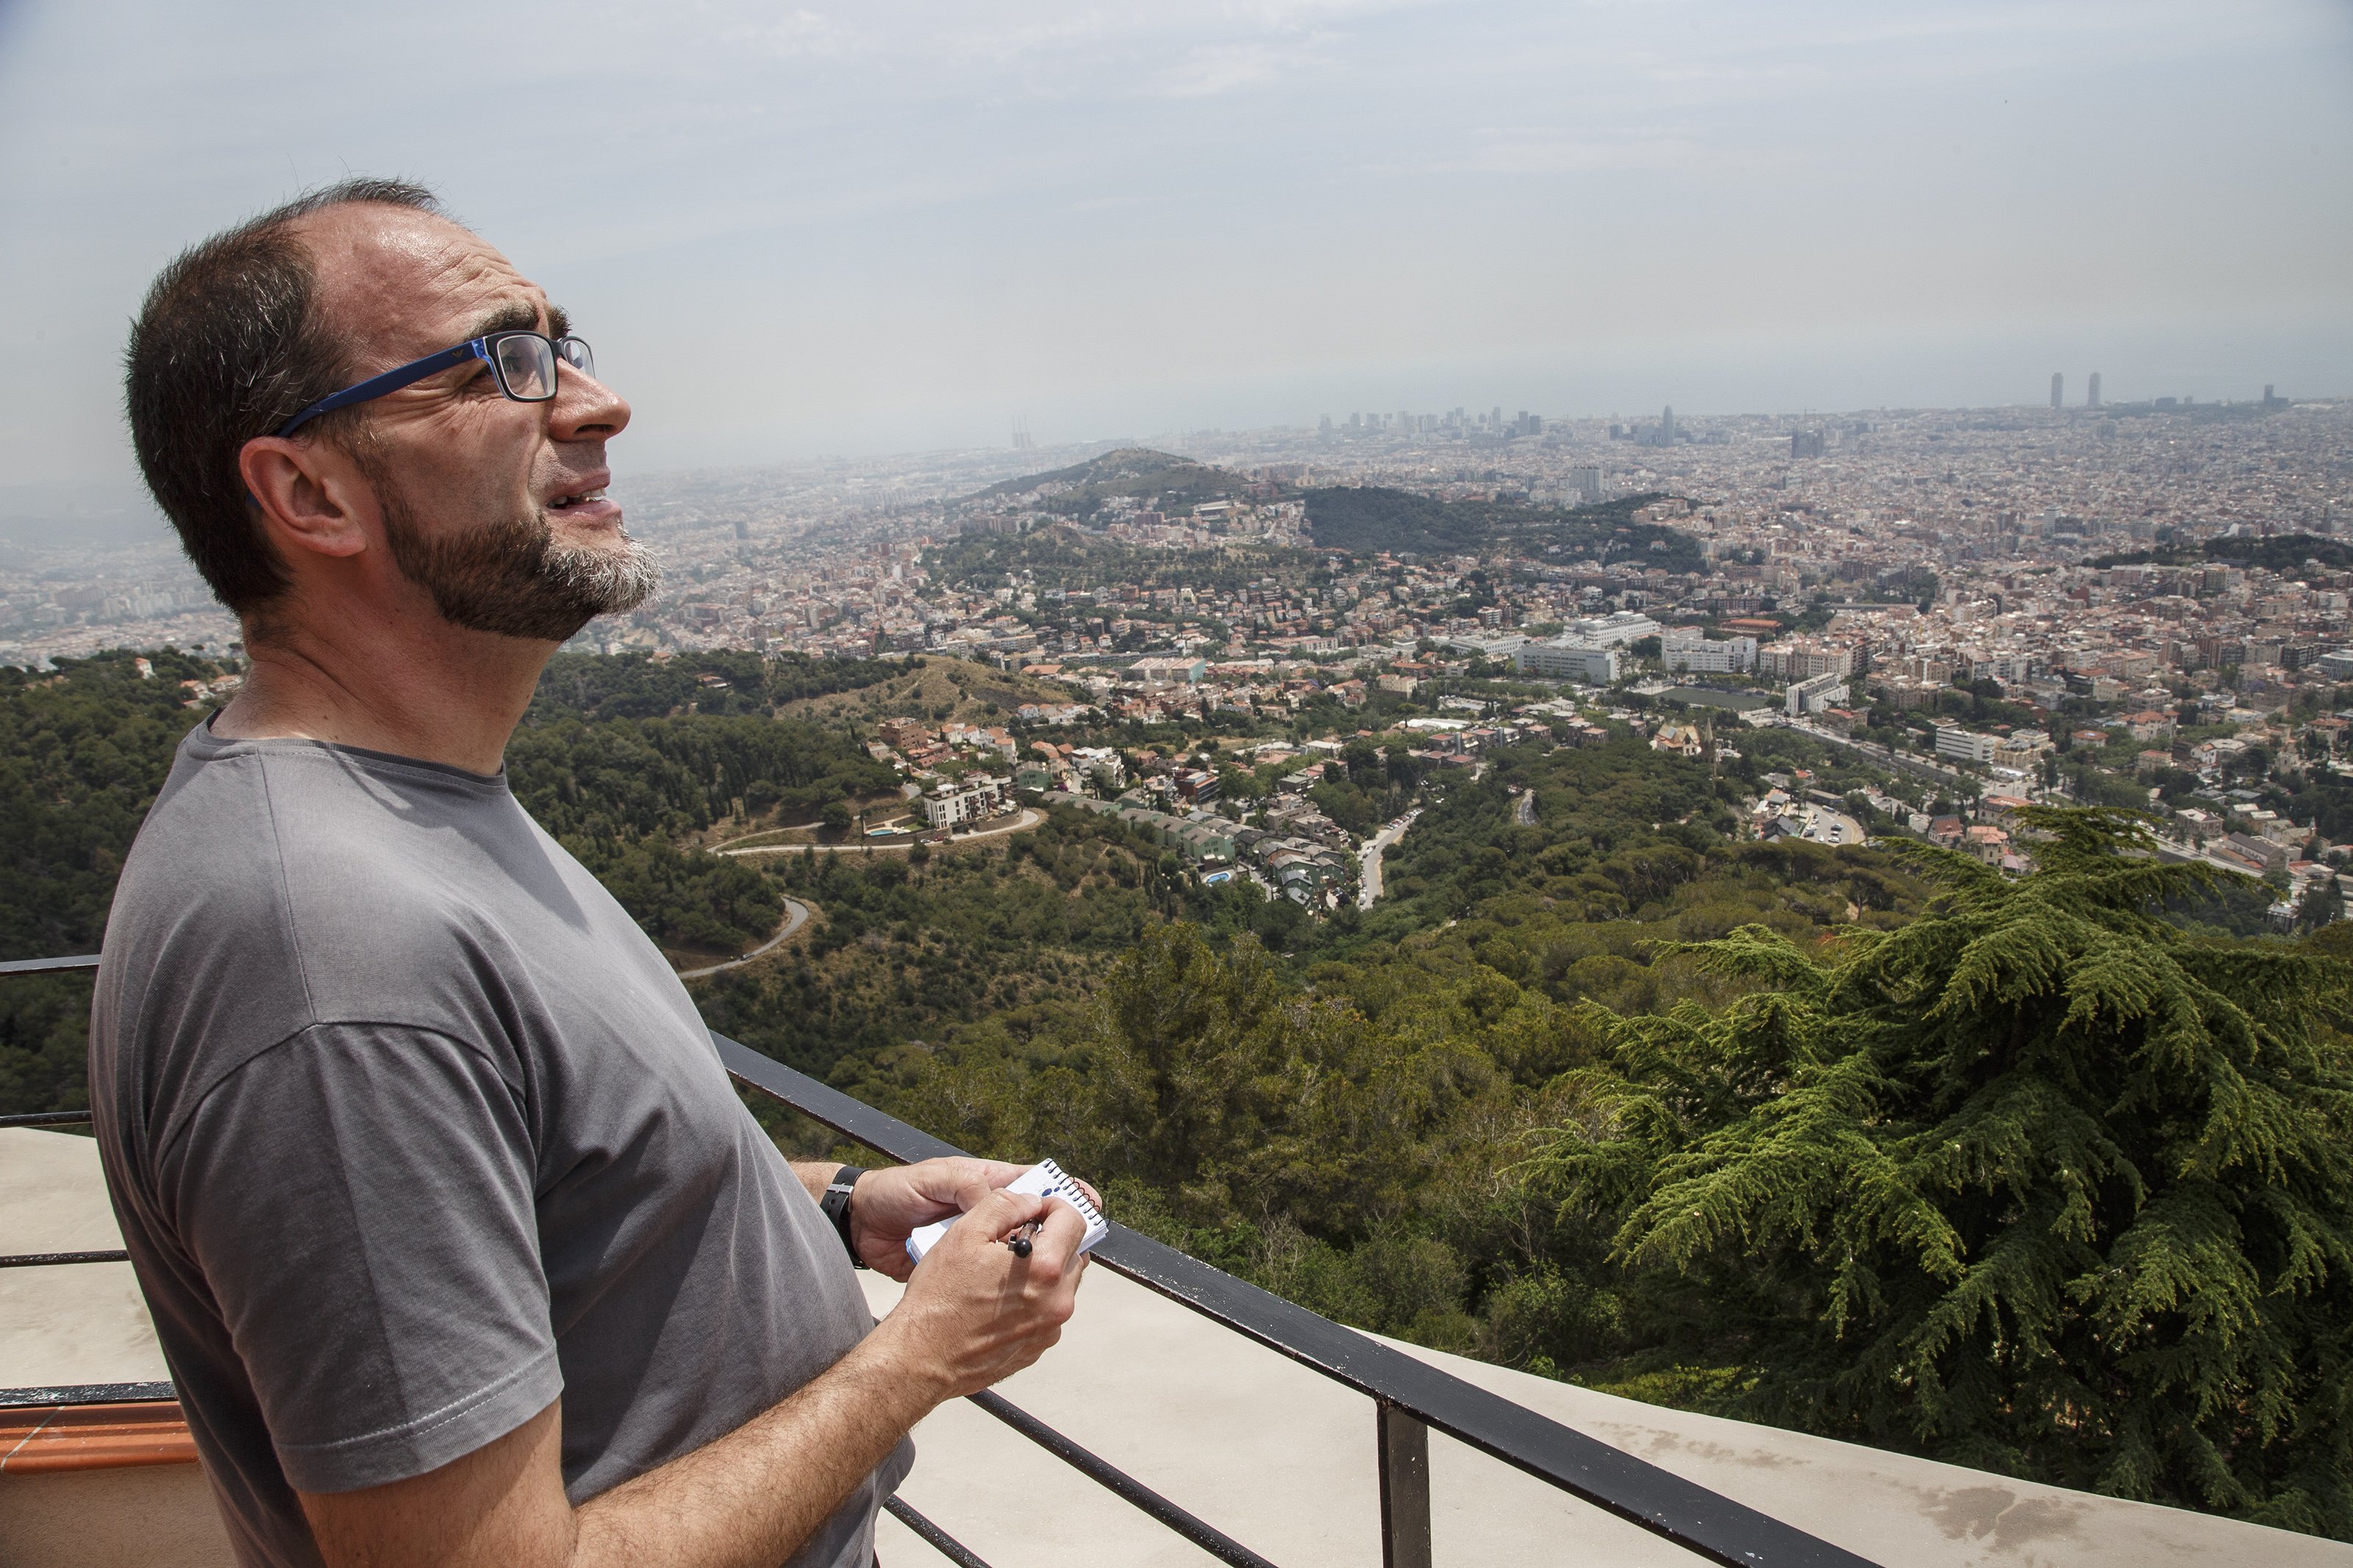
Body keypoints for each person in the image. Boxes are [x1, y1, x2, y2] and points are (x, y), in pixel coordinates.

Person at [92, 178, 1092, 1568]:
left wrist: (834, 1210)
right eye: (504, 361)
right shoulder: (325, 952)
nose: (598, 400)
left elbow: (532, 1185)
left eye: (568, 342)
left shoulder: (412, 820)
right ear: (310, 491)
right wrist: (916, 1359)